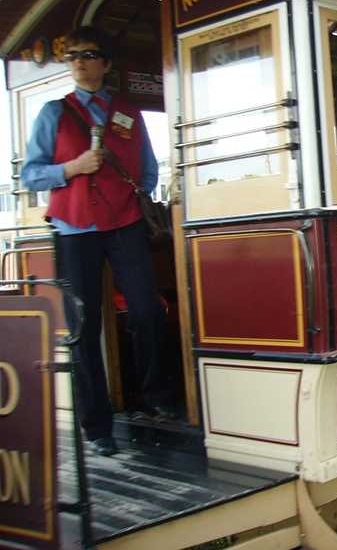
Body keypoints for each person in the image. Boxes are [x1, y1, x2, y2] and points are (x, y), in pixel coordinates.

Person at [22, 26, 174, 457]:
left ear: (105, 63)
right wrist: (73, 167)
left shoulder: (127, 113)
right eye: (73, 56)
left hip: (124, 223)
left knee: (147, 310)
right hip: (74, 230)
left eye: (88, 55)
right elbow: (31, 175)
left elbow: (147, 169)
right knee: (85, 330)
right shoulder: (54, 113)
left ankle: (155, 393)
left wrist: (133, 194)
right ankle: (97, 425)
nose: (80, 62)